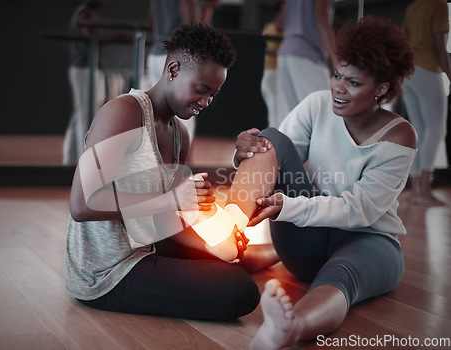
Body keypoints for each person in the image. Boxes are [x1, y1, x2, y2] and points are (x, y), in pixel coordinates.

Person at [230, 16, 416, 348]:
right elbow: (276, 155)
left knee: (341, 274)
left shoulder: (399, 135)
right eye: (336, 74)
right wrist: (245, 152)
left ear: (382, 89)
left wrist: (287, 206)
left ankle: (288, 329)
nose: (338, 88)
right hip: (308, 243)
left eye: (354, 83)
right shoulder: (317, 105)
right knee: (271, 137)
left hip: (367, 241)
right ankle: (227, 234)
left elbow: (359, 210)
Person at [64, 23, 261, 321]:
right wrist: (173, 199)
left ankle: (247, 257)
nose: (206, 102)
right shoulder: (123, 112)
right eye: (201, 90)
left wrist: (210, 235)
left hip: (147, 246)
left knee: (233, 261)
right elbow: (82, 204)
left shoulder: (180, 132)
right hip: (107, 271)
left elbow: (162, 220)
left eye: (213, 94)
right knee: (240, 291)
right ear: (173, 69)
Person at [147, 0, 222, 144]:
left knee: (159, 117)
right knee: (183, 120)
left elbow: (152, 22)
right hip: (179, 57)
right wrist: (208, 6)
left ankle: (160, 163)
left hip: (157, 54)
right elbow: (193, 31)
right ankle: (175, 164)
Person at [63, 0, 126, 165]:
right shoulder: (85, 13)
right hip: (85, 69)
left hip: (83, 69)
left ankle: (71, 162)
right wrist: (118, 36)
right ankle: (84, 163)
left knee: (80, 116)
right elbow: (92, 37)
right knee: (87, 116)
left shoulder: (86, 12)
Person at [401, 0, 451, 206]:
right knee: (437, 130)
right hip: (427, 70)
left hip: (409, 73)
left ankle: (415, 191)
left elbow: (403, 42)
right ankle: (425, 190)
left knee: (419, 131)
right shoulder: (438, 5)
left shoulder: (414, 7)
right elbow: (440, 47)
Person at [275, 0, 339, 125]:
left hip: (286, 51)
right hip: (307, 53)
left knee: (287, 122)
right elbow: (321, 18)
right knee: (327, 114)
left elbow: (279, 24)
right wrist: (337, 60)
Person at [261, 15, 283, 128]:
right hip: (273, 73)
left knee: (275, 113)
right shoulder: (275, 26)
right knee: (276, 113)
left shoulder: (268, 26)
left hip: (271, 74)